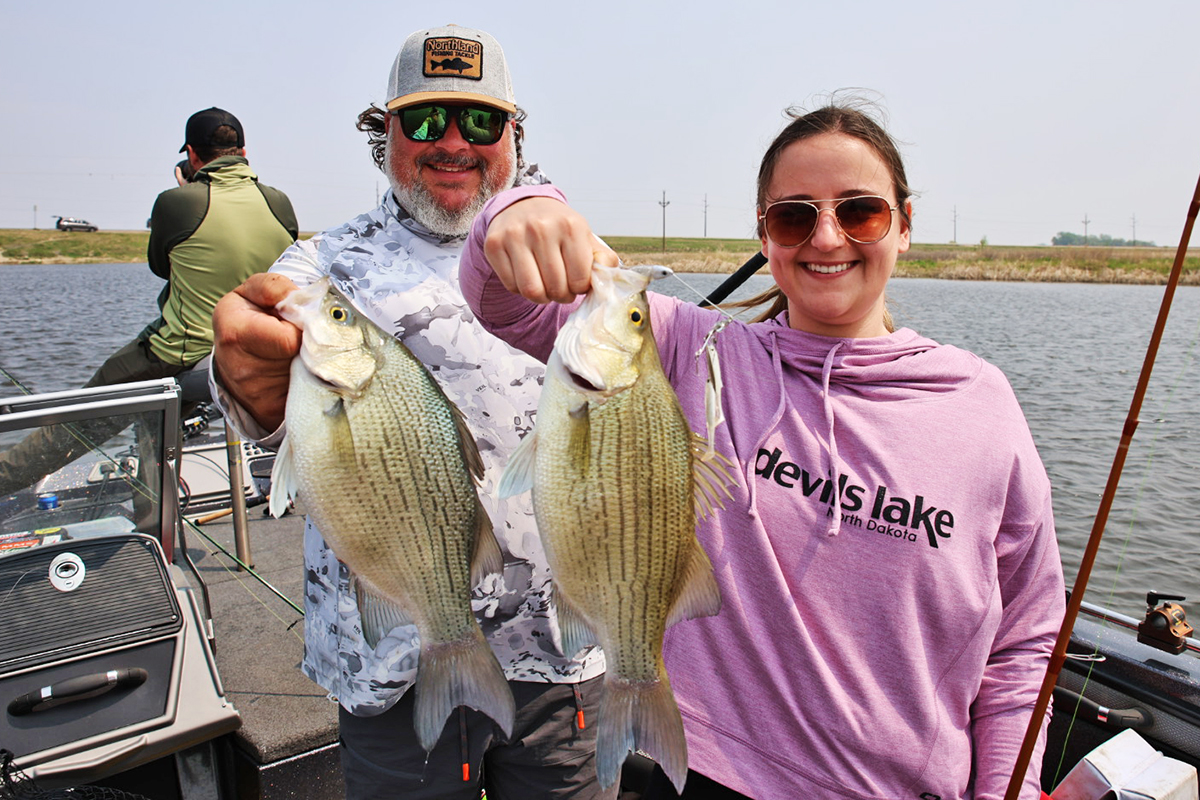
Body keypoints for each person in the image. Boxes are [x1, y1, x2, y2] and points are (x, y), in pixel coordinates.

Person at [459, 101, 1066, 800]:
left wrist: (1003, 789)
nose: (828, 237)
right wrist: (518, 209)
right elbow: (503, 301)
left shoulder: (980, 404)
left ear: (904, 225)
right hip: (709, 774)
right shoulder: (696, 350)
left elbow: (1026, 639)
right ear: (765, 235)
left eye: (861, 212)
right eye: (794, 217)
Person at [208, 25, 611, 800]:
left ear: (514, 138)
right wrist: (246, 375)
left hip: (560, 651)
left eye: (480, 121)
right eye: (424, 121)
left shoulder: (570, 253)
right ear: (382, 132)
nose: (453, 143)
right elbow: (262, 415)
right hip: (392, 663)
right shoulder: (322, 269)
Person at [0, 107, 297, 497]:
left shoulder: (176, 202)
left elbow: (161, 266)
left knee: (86, 412)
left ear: (192, 155)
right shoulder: (278, 202)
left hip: (186, 351)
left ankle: (10, 479)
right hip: (259, 350)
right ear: (243, 153)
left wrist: (185, 186)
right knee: (158, 415)